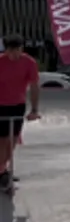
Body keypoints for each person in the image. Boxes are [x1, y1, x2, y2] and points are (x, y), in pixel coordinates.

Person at [0, 34, 41, 193]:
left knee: (13, 141)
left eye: (17, 51)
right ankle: (2, 171)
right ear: (6, 50)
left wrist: (35, 110)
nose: (14, 55)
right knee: (1, 142)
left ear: (21, 49)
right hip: (0, 105)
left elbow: (34, 86)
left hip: (17, 105)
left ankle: (3, 169)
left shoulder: (29, 62)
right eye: (11, 51)